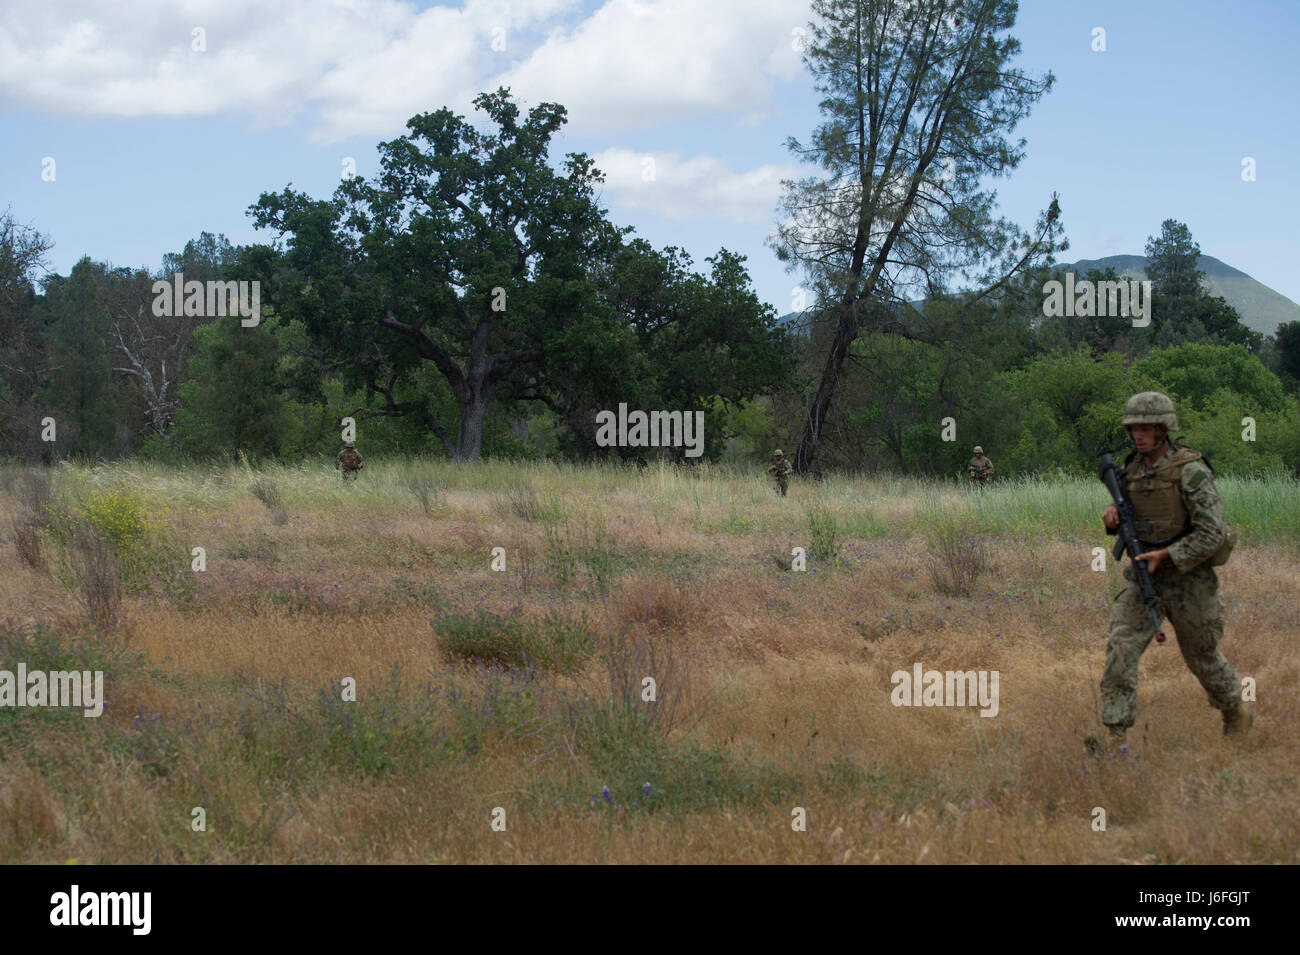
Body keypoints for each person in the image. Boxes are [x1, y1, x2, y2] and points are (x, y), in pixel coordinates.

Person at [1090, 392, 1248, 753]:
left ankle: (1235, 714)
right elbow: (1131, 515)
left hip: (1190, 579)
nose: (1138, 436)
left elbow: (1212, 532)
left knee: (1202, 656)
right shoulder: (1130, 471)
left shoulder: (1190, 471)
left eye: (1145, 429)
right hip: (1146, 575)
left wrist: (1170, 555)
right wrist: (1112, 517)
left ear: (1163, 429)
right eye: (1133, 429)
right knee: (1121, 648)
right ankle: (1115, 739)